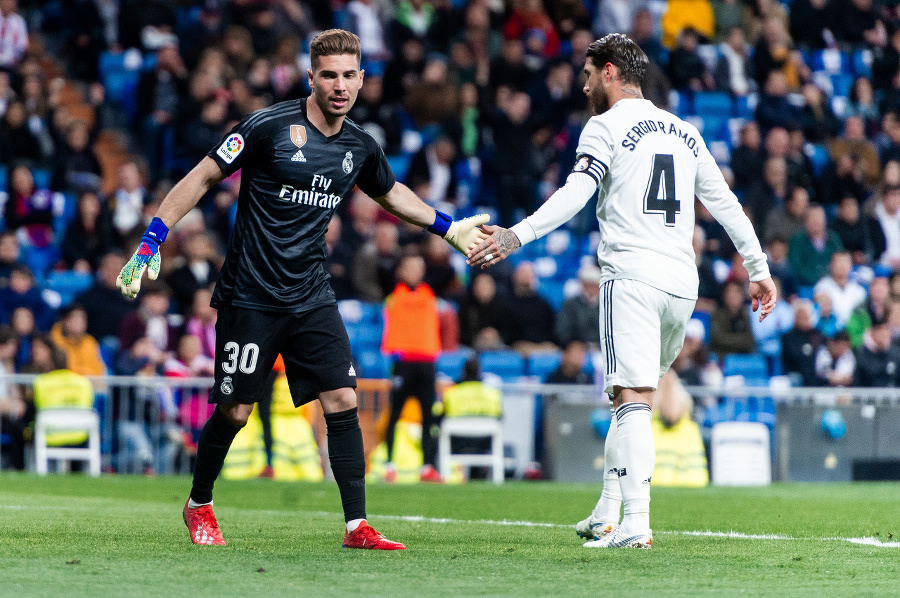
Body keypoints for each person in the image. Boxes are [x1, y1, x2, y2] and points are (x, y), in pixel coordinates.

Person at [115, 29, 488, 550]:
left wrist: (447, 227)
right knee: (236, 412)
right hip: (250, 294)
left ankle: (356, 525)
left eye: (348, 76)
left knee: (341, 397)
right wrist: (153, 239)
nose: (339, 85)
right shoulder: (268, 127)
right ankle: (199, 502)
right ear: (311, 77)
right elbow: (202, 177)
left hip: (311, 294)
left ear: (362, 79)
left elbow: (391, 193)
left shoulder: (359, 146)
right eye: (329, 75)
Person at [467, 34, 775, 549]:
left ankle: (636, 524)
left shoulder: (604, 126)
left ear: (609, 72)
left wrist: (516, 235)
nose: (584, 83)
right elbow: (724, 203)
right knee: (627, 401)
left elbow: (576, 193)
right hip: (682, 285)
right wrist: (758, 268)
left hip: (632, 277)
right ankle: (608, 511)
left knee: (631, 400)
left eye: (588, 73)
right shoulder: (684, 130)